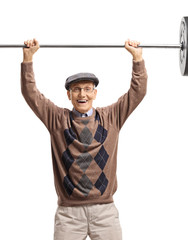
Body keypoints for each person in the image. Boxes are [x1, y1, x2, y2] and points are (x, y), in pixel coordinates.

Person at [21, 38, 147, 240]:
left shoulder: (111, 117)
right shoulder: (57, 119)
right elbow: (30, 94)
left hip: (105, 211)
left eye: (88, 89)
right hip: (69, 215)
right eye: (77, 90)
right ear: (69, 95)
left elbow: (137, 91)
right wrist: (28, 59)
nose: (83, 94)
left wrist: (137, 59)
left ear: (95, 93)